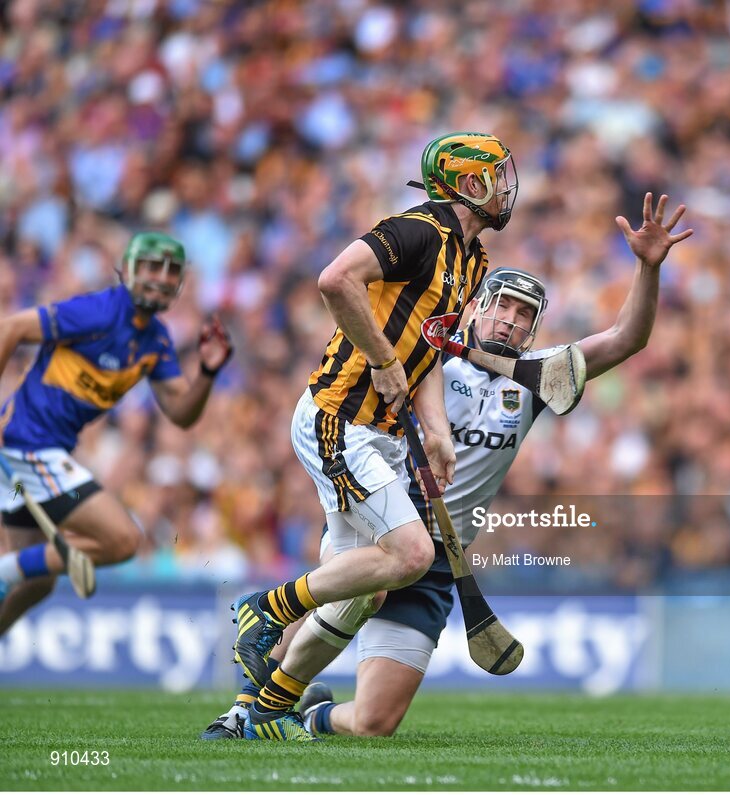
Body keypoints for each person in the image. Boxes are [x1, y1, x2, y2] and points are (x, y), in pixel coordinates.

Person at [203, 192, 690, 741]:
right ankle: (249, 710)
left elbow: (628, 338)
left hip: (440, 563)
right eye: (502, 305)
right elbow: (366, 330)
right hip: (382, 514)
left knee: (373, 724)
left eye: (524, 315)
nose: (509, 321)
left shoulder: (534, 379)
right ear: (476, 305)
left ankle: (307, 716)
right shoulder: (426, 351)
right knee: (356, 587)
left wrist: (647, 268)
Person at [229, 132, 516, 742]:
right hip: (340, 417)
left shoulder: (473, 260)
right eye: (497, 175)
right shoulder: (417, 231)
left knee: (367, 589)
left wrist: (437, 430)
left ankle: (262, 709)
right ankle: (268, 608)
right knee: (410, 557)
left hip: (384, 432)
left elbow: (431, 350)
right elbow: (336, 280)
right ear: (469, 184)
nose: (508, 186)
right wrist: (383, 358)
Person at [0, 232, 233, 635]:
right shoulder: (97, 311)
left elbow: (180, 412)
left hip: (42, 455)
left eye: (171, 270)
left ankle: (10, 570)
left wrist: (208, 373)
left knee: (38, 581)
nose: (160, 278)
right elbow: (12, 328)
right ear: (125, 269)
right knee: (123, 540)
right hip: (27, 445)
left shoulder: (155, 340)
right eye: (150, 266)